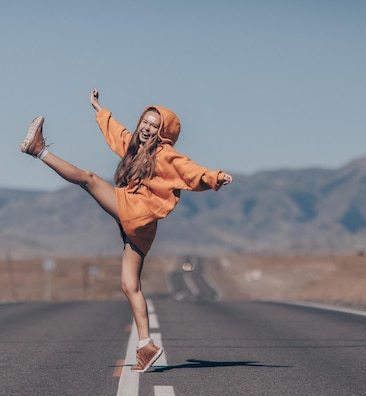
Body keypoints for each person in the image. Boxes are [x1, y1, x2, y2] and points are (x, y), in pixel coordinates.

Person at [20, 88, 233, 372]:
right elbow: (116, 133)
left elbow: (190, 171)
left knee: (90, 179)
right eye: (145, 121)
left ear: (163, 132)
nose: (146, 128)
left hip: (139, 211)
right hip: (143, 227)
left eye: (154, 126)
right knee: (129, 285)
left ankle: (39, 149)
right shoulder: (135, 146)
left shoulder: (165, 155)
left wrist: (215, 177)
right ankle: (146, 346)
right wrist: (99, 109)